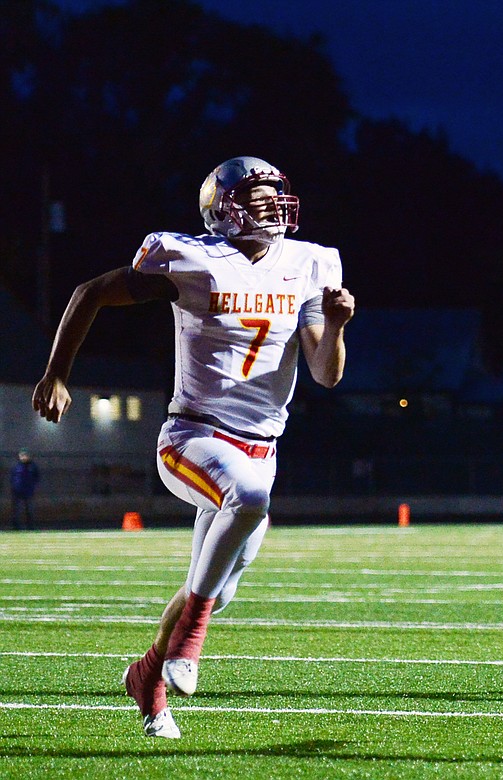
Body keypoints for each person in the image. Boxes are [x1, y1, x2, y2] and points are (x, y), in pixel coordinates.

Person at [32, 156, 355, 740]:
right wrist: (57, 373)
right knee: (248, 497)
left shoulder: (310, 262)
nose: (271, 205)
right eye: (257, 196)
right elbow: (90, 292)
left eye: (275, 194)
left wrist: (334, 327)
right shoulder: (195, 259)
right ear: (223, 207)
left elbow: (326, 374)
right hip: (194, 437)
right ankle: (188, 645)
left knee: (219, 584)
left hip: (263, 446)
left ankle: (148, 677)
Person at [9, 448, 40, 530]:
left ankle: (30, 527)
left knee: (29, 510)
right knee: (17, 511)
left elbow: (37, 477)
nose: (23, 457)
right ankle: (16, 527)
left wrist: (33, 487)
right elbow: (12, 477)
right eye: (21, 455)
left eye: (25, 455)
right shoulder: (16, 466)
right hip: (17, 491)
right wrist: (14, 487)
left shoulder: (33, 466)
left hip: (28, 491)